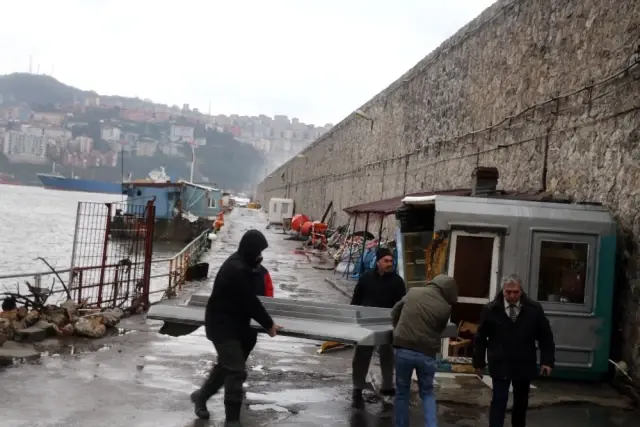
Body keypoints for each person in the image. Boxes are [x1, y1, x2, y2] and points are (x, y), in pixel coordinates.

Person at [192, 229, 281, 426]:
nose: (261, 256)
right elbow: (250, 301)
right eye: (258, 251)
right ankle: (232, 420)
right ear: (250, 251)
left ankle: (201, 397)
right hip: (221, 326)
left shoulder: (247, 265)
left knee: (226, 367)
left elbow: (257, 300)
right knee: (236, 371)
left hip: (239, 325)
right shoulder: (237, 269)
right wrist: (268, 324)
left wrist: (267, 321)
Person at [473, 274, 555, 427]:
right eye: (508, 292)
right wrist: (478, 362)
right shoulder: (491, 309)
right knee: (499, 400)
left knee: (521, 403)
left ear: (521, 291)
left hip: (523, 362)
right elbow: (481, 337)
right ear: (503, 290)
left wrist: (547, 361)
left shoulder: (533, 309)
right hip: (500, 362)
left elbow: (545, 337)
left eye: (515, 292)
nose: (512, 296)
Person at [391, 274, 459, 427]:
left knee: (402, 392)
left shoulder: (413, 292)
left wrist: (398, 331)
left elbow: (394, 312)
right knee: (427, 393)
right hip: (427, 354)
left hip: (403, 349)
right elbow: (439, 329)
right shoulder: (445, 307)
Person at [350, 247, 406, 408]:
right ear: (378, 262)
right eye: (386, 261)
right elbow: (356, 300)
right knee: (362, 355)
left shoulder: (397, 281)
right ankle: (357, 386)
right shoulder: (366, 278)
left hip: (388, 323)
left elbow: (402, 304)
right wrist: (354, 320)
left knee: (387, 355)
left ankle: (388, 386)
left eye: (391, 261)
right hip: (366, 324)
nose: (389, 264)